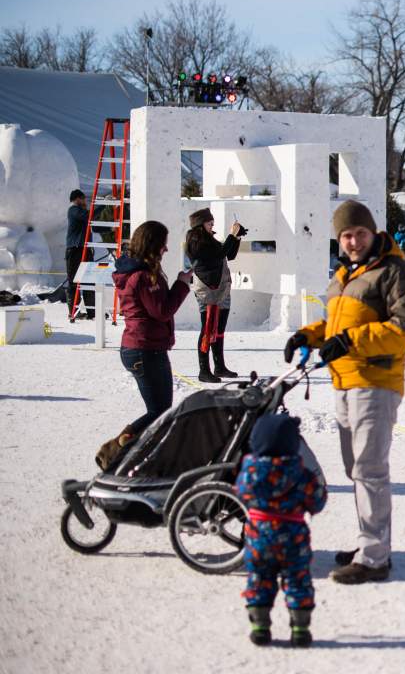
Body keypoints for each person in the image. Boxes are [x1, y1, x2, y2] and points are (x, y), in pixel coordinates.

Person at [283, 199, 405, 584]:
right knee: (355, 469)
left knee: (369, 469)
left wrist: (350, 342)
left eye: (360, 233)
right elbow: (335, 324)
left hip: (375, 382)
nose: (354, 241)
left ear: (373, 233)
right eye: (346, 235)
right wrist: (309, 335)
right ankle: (369, 543)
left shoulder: (392, 271)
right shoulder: (346, 273)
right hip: (344, 382)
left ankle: (375, 558)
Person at [96, 220, 192, 469]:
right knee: (160, 412)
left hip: (138, 347)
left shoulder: (134, 271)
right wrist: (182, 283)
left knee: (159, 410)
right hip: (146, 349)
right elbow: (162, 310)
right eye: (163, 244)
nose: (166, 249)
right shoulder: (143, 276)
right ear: (153, 244)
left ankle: (131, 452)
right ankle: (116, 452)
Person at [237, 414, 327, 648]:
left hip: (259, 538)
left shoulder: (249, 471)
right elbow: (317, 501)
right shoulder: (301, 474)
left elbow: (241, 494)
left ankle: (260, 626)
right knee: (297, 580)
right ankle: (300, 629)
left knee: (259, 579)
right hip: (293, 538)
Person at [184, 208, 243, 383]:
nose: (212, 226)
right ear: (200, 224)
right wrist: (231, 235)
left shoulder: (209, 239)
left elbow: (228, 255)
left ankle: (219, 367)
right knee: (208, 328)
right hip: (208, 290)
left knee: (219, 329)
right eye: (210, 223)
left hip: (222, 288)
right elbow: (218, 255)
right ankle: (204, 370)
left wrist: (237, 237)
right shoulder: (196, 241)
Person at [65, 189, 93, 319]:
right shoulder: (74, 210)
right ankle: (73, 312)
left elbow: (92, 221)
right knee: (73, 281)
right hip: (75, 249)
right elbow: (89, 215)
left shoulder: (81, 212)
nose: (85, 201)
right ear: (77, 199)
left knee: (90, 280)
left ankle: (92, 312)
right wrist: (102, 205)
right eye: (83, 199)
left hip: (85, 248)